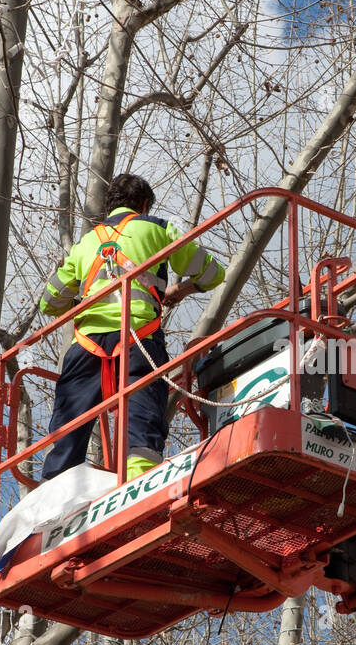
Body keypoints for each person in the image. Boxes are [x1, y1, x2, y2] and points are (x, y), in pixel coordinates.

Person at [37, 174, 225, 481]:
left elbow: (49, 303)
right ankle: (140, 484)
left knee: (68, 426)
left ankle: (55, 492)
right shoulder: (158, 228)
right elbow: (213, 274)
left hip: (86, 345)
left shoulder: (85, 243)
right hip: (139, 337)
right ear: (145, 204)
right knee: (142, 416)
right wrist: (182, 290)